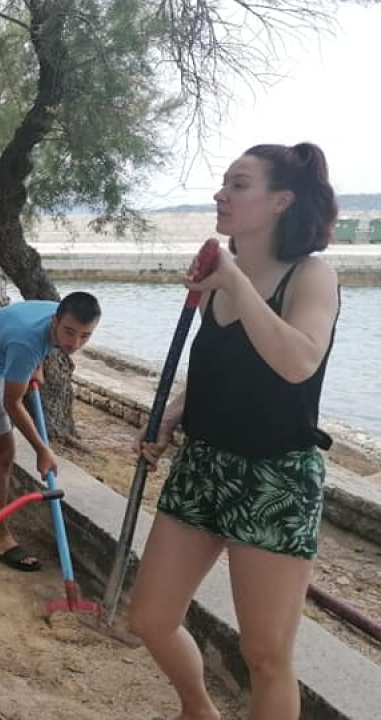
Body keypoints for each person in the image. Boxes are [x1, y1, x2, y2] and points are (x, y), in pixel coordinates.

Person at [128, 143, 340, 720]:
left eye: (239, 184)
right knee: (150, 617)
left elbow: (298, 362)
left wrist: (234, 283)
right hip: (203, 466)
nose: (222, 194)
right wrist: (173, 414)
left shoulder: (311, 275)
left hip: (275, 475)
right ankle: (199, 710)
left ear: (280, 201)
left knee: (265, 654)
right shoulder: (221, 279)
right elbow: (218, 367)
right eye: (224, 182)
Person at [0, 293, 102, 571]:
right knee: (4, 451)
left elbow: (40, 341)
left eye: (85, 336)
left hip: (1, 354)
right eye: (69, 333)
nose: (74, 344)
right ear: (55, 320)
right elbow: (11, 403)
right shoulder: (26, 343)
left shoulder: (54, 318)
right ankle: (1, 538)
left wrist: (35, 364)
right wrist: (42, 449)